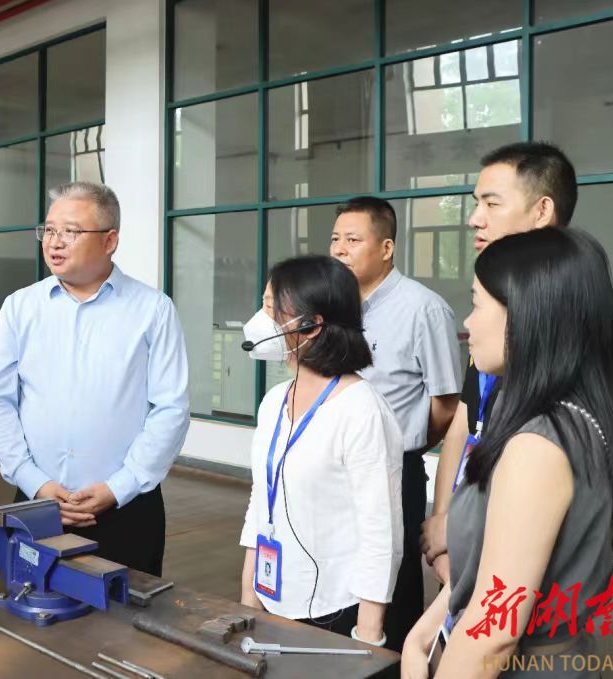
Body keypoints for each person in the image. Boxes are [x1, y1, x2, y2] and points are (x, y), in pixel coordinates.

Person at [402, 228, 613, 678]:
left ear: (526, 315)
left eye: (477, 304)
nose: (468, 323)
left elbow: (494, 632)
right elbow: (491, 570)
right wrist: (423, 634)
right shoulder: (566, 416)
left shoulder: (538, 446)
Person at [0, 181, 190, 577]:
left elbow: (170, 409)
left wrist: (119, 487)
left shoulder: (152, 310)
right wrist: (34, 482)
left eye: (71, 231)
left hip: (126, 508)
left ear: (110, 241)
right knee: (34, 605)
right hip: (37, 504)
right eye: (49, 230)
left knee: (125, 613)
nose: (55, 242)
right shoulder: (20, 307)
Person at [421, 142, 578, 586]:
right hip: (468, 537)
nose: (475, 218)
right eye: (476, 203)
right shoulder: (495, 305)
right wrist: (443, 522)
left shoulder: (563, 313)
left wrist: (457, 529)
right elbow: (466, 420)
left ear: (542, 210)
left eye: (492, 203)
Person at [238, 256, 403, 645]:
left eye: (272, 308)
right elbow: (261, 498)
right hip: (272, 595)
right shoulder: (275, 400)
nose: (261, 320)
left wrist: (368, 634)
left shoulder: (361, 409)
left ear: (311, 326)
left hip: (334, 608)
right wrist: (248, 593)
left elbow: (381, 531)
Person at [330, 196, 462, 650]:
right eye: (335, 239)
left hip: (393, 468)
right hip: (336, 469)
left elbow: (447, 403)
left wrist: (409, 443)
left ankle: (395, 661)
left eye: (353, 240)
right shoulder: (335, 308)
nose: (339, 249)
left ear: (386, 248)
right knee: (345, 572)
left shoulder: (424, 309)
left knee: (394, 581)